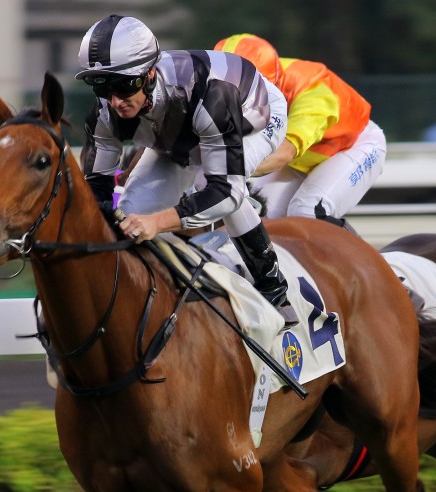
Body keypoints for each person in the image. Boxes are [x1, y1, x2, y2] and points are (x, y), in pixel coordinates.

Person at [75, 15, 298, 326]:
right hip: (178, 130)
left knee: (213, 182)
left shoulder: (214, 96)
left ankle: (273, 288)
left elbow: (224, 192)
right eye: (101, 87)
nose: (115, 101)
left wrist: (157, 222)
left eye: (124, 86)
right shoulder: (104, 112)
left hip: (251, 115)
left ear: (150, 73)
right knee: (129, 212)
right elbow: (98, 191)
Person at [213, 34, 386, 224]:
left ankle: (355, 254)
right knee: (258, 215)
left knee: (307, 211)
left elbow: (283, 153)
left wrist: (219, 169)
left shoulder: (312, 91)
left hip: (353, 146)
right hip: (302, 156)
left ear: (271, 85)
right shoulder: (256, 72)